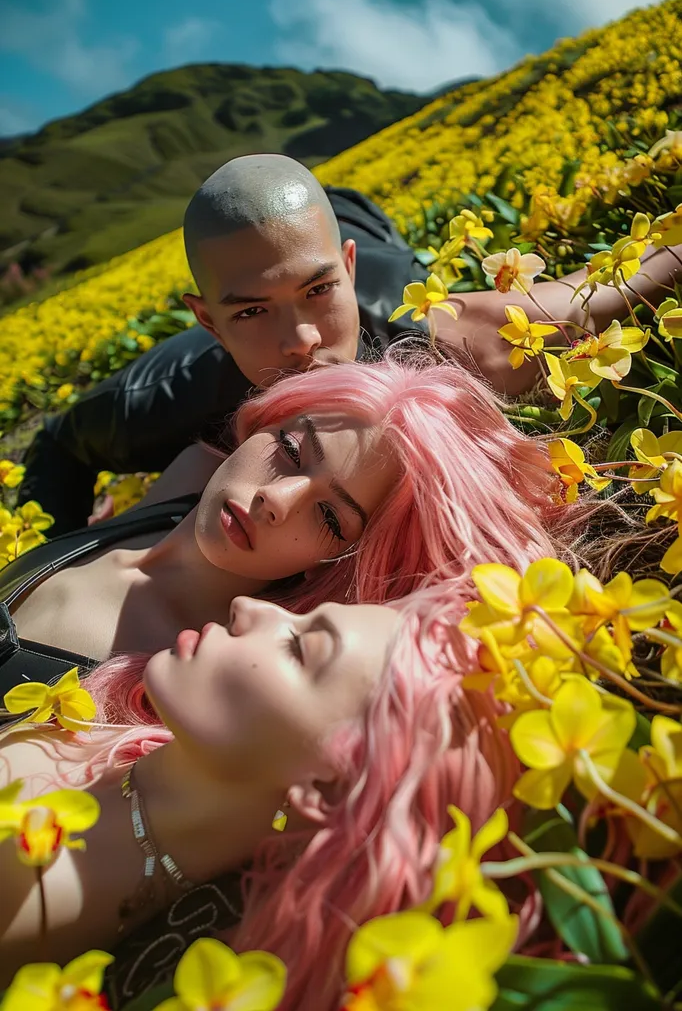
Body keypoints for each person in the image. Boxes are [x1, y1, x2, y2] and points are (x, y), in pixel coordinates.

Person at [19, 153, 680, 535]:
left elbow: (613, 288)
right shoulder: (165, 395)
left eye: (317, 292)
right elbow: (58, 446)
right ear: (207, 322)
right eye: (251, 311)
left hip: (362, 229)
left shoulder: (446, 339)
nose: (302, 341)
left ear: (347, 270)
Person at [0, 588, 520, 1011]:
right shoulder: (100, 717)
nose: (247, 607)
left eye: (297, 648)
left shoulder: (41, 894)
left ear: (326, 790)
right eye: (297, 617)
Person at [0, 346, 563, 694]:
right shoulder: (188, 475)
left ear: (344, 557)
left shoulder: (192, 677)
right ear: (266, 419)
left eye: (327, 515)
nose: (277, 498)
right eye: (292, 448)